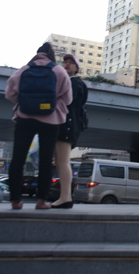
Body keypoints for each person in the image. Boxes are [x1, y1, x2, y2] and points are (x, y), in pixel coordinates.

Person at [5, 43, 72, 210]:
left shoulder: (24, 69)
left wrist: (26, 103)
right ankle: (41, 201)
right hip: (51, 120)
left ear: (37, 54)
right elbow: (68, 99)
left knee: (18, 158)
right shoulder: (58, 71)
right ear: (51, 55)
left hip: (25, 118)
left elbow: (9, 93)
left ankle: (15, 200)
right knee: (45, 160)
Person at [52, 54, 88, 209]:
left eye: (71, 63)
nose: (67, 64)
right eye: (65, 62)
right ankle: (64, 196)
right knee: (59, 161)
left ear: (77, 68)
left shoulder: (74, 83)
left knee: (62, 161)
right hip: (65, 124)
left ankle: (66, 197)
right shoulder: (71, 82)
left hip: (66, 124)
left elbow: (68, 102)